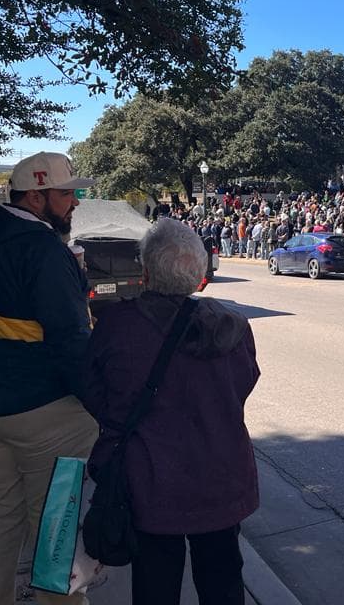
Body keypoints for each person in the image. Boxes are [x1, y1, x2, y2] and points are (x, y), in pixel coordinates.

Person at [0, 152, 98, 605]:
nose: (75, 202)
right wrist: (100, 401)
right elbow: (73, 339)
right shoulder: (43, 248)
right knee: (55, 528)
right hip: (47, 414)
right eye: (66, 193)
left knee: (0, 519)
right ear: (36, 195)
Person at [84, 219, 259, 604]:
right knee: (224, 580)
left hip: (151, 481)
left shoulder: (118, 325)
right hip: (222, 477)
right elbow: (245, 384)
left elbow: (96, 395)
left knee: (155, 585)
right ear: (199, 275)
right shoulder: (233, 326)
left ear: (145, 273)